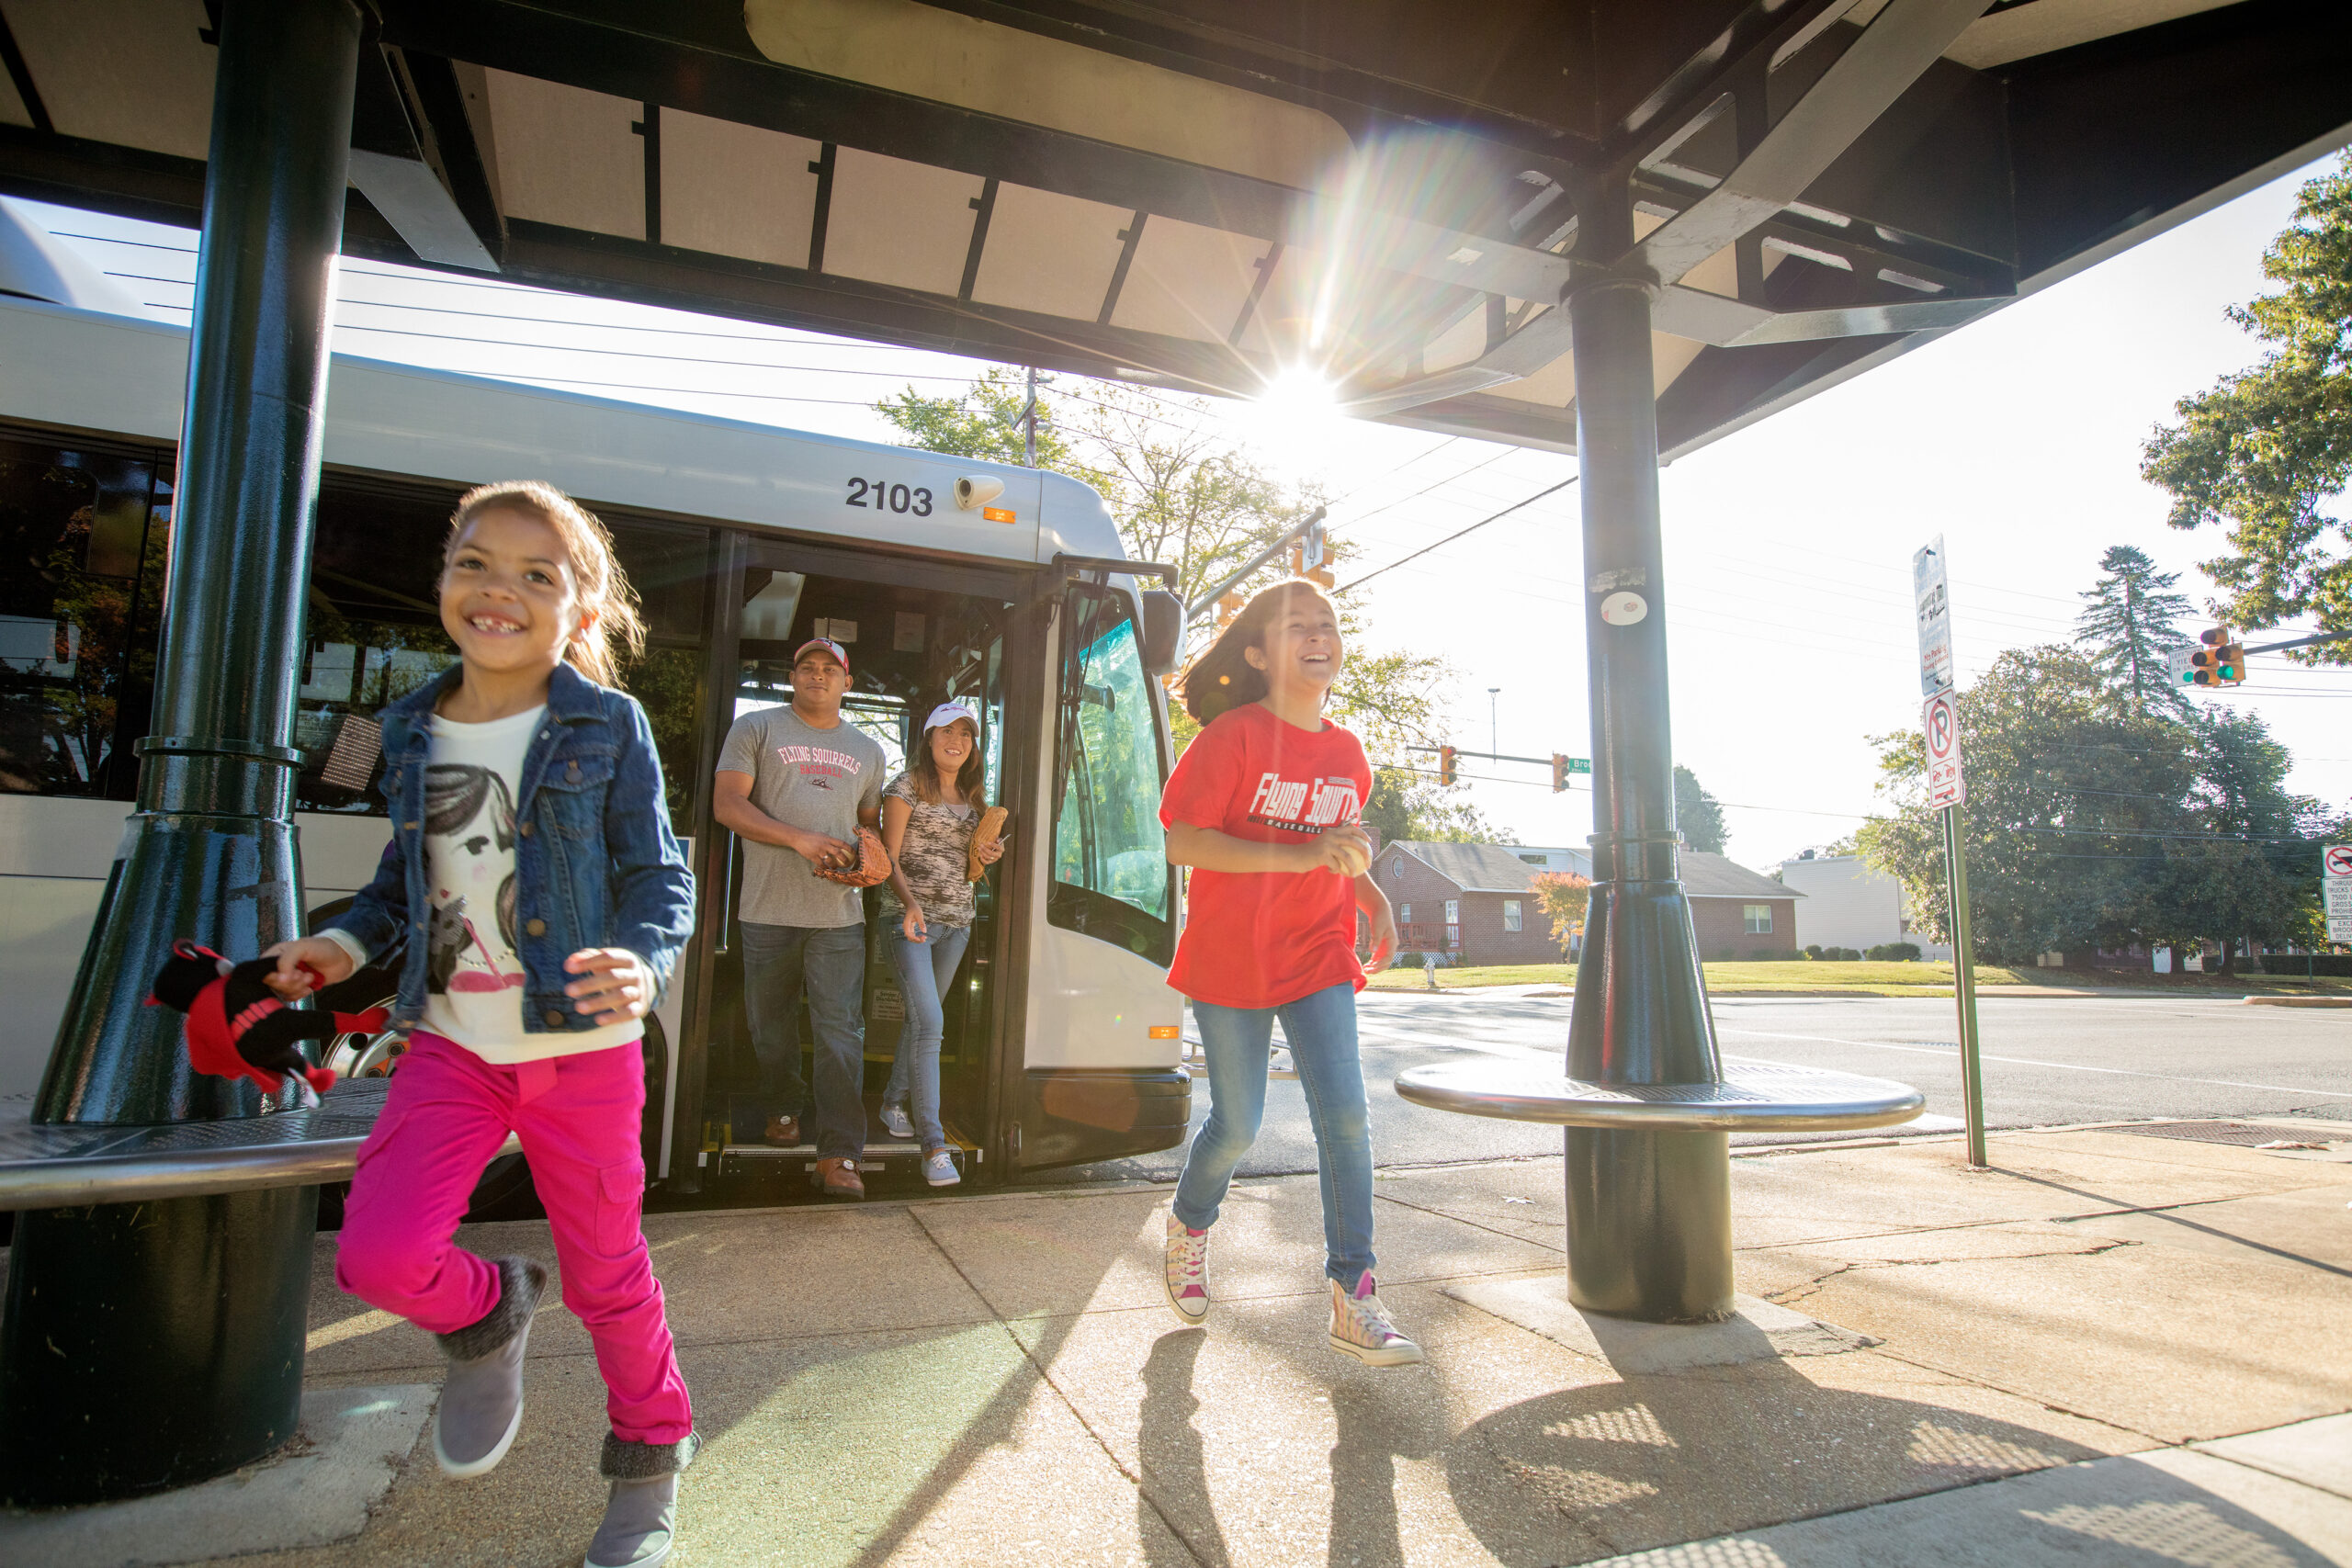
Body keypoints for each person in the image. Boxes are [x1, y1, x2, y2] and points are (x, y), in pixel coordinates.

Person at [265, 480, 698, 1568]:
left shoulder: (608, 723)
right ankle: (487, 1310)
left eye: (536, 576)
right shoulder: (405, 727)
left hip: (583, 1055)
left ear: (580, 615)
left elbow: (661, 880)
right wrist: (344, 949)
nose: (499, 590)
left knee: (608, 1278)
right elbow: (393, 895)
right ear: (444, 579)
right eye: (475, 563)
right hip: (453, 1047)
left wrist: (644, 965)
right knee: (375, 1257)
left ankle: (650, 1457)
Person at [1156, 580, 1420, 1367]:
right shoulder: (1231, 738)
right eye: (1297, 625)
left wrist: (1365, 887)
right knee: (1236, 1123)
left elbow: (1335, 838)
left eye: (1328, 624)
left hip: (1316, 951)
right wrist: (1303, 853)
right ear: (1258, 653)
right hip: (1230, 958)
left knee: (1345, 1116)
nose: (1318, 635)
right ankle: (1190, 1222)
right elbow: (1185, 843)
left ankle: (1354, 1292)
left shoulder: (1348, 754)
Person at [712, 635, 887, 1201]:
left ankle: (839, 1155)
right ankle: (783, 1108)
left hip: (839, 915)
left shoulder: (867, 750)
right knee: (771, 1025)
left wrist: (870, 858)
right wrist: (800, 840)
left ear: (847, 683)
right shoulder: (756, 729)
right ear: (795, 677)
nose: (818, 676)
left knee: (839, 1034)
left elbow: (866, 823)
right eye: (807, 668)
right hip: (766, 908)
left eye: (829, 669)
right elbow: (727, 806)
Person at [876, 701, 1007, 1184]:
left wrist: (985, 856)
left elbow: (970, 867)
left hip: (957, 924)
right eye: (947, 731)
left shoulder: (975, 800)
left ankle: (893, 1105)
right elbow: (886, 858)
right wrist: (910, 905)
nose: (956, 740)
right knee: (931, 1023)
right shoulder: (905, 787)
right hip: (908, 923)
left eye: (966, 734)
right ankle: (933, 1144)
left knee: (920, 1022)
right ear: (929, 738)